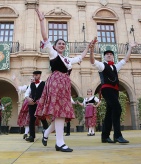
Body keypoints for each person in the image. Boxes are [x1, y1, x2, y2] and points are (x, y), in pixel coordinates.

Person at [34, 9, 96, 152]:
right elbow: (45, 38)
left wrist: (88, 47)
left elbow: (80, 58)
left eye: (63, 43)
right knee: (60, 112)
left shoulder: (67, 59)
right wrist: (42, 21)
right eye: (59, 43)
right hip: (56, 82)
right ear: (55, 46)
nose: (61, 45)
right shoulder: (53, 53)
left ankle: (47, 133)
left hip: (64, 84)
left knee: (61, 111)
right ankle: (60, 142)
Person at [89, 38, 137, 143]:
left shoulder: (115, 66)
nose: (109, 55)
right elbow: (92, 61)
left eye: (111, 54)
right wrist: (92, 50)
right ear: (104, 56)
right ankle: (117, 135)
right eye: (107, 54)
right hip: (107, 90)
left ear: (113, 56)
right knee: (117, 109)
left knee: (109, 112)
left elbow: (125, 59)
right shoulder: (102, 65)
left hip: (115, 90)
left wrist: (130, 48)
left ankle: (105, 136)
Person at [25, 71, 48, 142]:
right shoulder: (31, 84)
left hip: (41, 104)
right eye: (34, 75)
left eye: (36, 75)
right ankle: (32, 136)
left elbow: (47, 93)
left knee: (43, 119)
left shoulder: (44, 84)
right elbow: (26, 94)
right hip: (32, 104)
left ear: (40, 75)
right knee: (32, 119)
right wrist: (28, 98)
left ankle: (46, 134)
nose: (35, 76)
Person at [12, 75, 35, 139]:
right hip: (27, 104)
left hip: (34, 104)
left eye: (33, 79)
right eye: (31, 79)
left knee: (31, 119)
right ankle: (26, 133)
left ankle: (28, 133)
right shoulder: (27, 87)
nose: (32, 80)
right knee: (27, 119)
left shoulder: (38, 86)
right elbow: (18, 88)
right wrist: (15, 80)